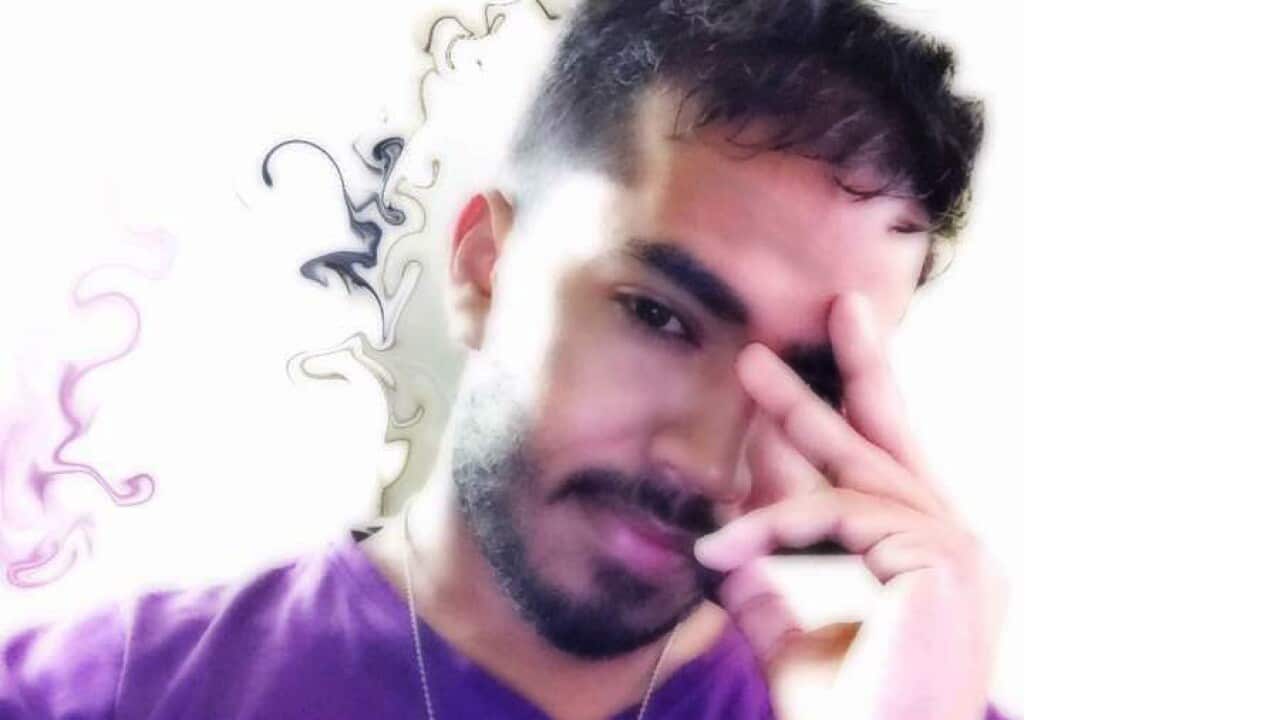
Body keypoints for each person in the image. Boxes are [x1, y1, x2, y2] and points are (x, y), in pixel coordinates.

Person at [0, 0, 1010, 718]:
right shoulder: (86, 697)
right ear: (485, 267)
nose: (709, 461)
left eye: (806, 382)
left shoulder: (910, 702)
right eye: (656, 317)